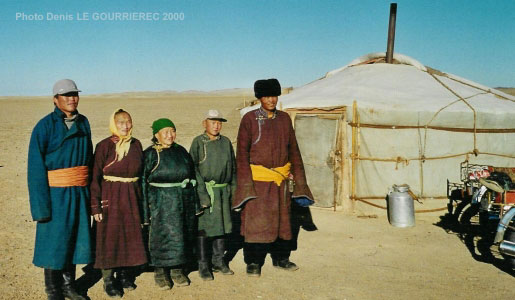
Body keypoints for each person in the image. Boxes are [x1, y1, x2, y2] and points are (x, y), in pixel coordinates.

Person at [233, 78, 315, 277]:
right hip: (258, 181)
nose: (271, 100)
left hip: (281, 182)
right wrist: (245, 185)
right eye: (266, 96)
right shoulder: (250, 119)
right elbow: (241, 154)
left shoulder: (285, 119)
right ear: (259, 98)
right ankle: (253, 261)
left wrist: (300, 182)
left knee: (283, 221)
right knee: (256, 222)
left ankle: (281, 258)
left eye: (274, 96)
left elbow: (294, 151)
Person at [27, 79, 93, 300]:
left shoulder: (84, 123)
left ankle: (69, 285)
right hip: (56, 194)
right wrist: (41, 208)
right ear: (55, 100)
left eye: (74, 94)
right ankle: (53, 289)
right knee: (54, 242)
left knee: (73, 239)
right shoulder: (44, 126)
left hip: (78, 192)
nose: (72, 99)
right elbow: (35, 170)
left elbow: (89, 161)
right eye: (66, 95)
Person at [89, 109, 148, 297]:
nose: (125, 126)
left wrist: (141, 204)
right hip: (110, 196)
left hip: (131, 196)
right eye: (120, 122)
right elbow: (95, 177)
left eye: (128, 121)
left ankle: (124, 274)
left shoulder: (137, 145)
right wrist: (96, 205)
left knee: (129, 236)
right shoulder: (104, 146)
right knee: (109, 238)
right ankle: (108, 279)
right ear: (114, 124)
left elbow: (141, 177)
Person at [142, 118, 199, 289]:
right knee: (162, 237)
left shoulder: (181, 151)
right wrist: (146, 210)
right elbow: (143, 183)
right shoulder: (151, 154)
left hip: (182, 201)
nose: (170, 135)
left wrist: (194, 204)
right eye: (165, 132)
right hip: (160, 202)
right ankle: (160, 271)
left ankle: (177, 269)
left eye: (172, 131)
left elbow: (192, 177)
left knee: (181, 235)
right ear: (156, 135)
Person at [189, 109, 236, 280]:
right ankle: (203, 265)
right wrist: (201, 194)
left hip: (223, 191)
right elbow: (192, 169)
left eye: (219, 122)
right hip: (206, 191)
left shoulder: (226, 142)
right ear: (205, 123)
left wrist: (233, 192)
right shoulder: (198, 142)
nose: (216, 125)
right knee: (204, 230)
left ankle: (218, 261)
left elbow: (233, 168)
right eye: (212, 122)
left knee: (221, 228)